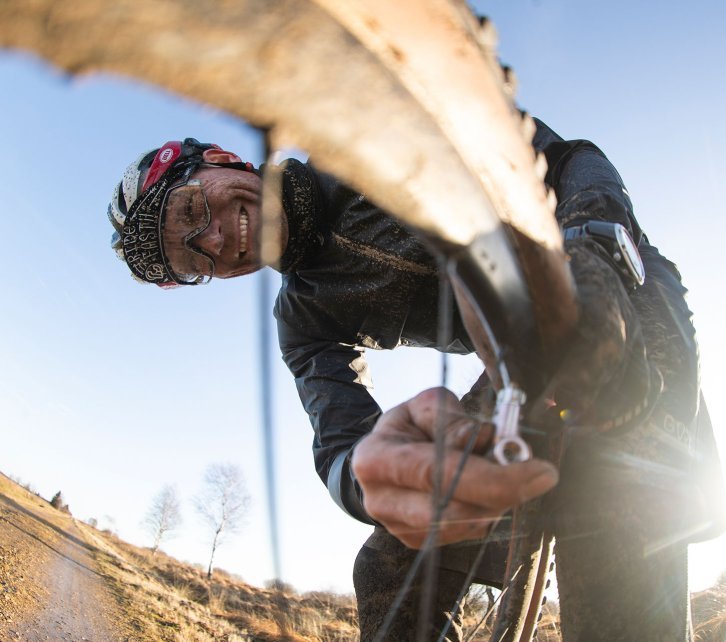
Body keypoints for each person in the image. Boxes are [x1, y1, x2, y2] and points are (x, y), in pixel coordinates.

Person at [109, 125, 724, 641]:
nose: (215, 239)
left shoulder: (365, 133)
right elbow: (339, 445)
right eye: (197, 259)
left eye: (192, 209)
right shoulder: (304, 320)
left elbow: (569, 158)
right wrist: (373, 478)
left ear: (218, 160)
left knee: (615, 528)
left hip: (617, 284)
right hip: (513, 358)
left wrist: (595, 243)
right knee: (389, 573)